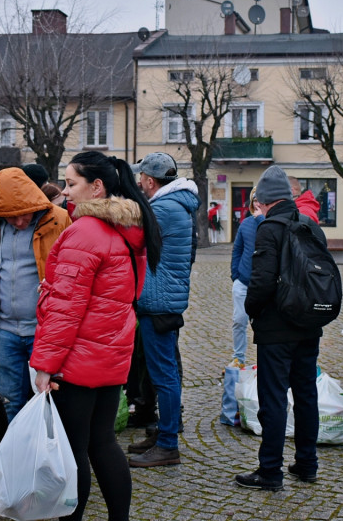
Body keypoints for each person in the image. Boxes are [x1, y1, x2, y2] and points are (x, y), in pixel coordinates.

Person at [31, 150, 161, 521]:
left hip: (78, 359)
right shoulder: (128, 230)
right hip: (111, 353)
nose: (66, 192)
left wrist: (44, 365)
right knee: (103, 442)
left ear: (97, 186)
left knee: (74, 449)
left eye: (71, 184)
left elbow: (65, 309)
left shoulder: (85, 232)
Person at [235, 165, 325, 491]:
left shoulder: (269, 228)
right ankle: (307, 463)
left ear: (266, 201)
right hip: (309, 325)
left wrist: (253, 312)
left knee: (272, 400)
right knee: (306, 395)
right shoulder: (311, 226)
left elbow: (259, 283)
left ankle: (270, 471)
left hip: (276, 328)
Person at [0, 168, 70, 422]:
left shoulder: (59, 219)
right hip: (6, 330)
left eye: (23, 216)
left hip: (44, 329)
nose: (19, 223)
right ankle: (13, 459)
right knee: (9, 402)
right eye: (11, 218)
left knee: (49, 401)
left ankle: (47, 458)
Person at [128, 152, 199, 468]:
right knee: (162, 373)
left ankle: (168, 443)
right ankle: (162, 433)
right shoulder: (174, 205)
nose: (138, 182)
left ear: (150, 180)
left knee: (164, 375)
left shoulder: (163, 208)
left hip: (158, 302)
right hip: (162, 299)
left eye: (140, 178)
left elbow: (133, 240)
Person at [229, 191, 262, 368]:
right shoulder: (245, 224)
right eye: (255, 200)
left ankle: (264, 360)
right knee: (239, 320)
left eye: (260, 201)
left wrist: (260, 219)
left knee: (262, 325)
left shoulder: (269, 224)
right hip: (242, 282)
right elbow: (238, 250)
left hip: (262, 285)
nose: (257, 204)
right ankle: (238, 358)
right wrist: (235, 275)